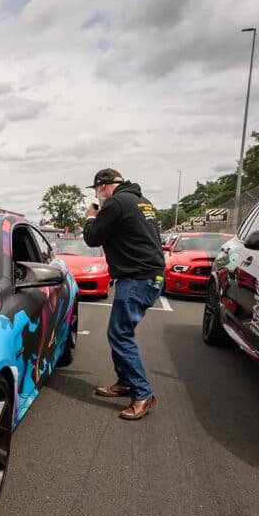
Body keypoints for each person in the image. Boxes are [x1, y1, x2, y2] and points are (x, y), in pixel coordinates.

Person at [83, 168, 165, 421]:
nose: (97, 195)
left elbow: (92, 238)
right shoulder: (142, 201)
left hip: (136, 278)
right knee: (120, 332)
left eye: (97, 190)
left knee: (119, 334)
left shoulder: (116, 202)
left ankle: (142, 394)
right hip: (151, 276)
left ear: (104, 185)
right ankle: (126, 382)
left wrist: (90, 218)